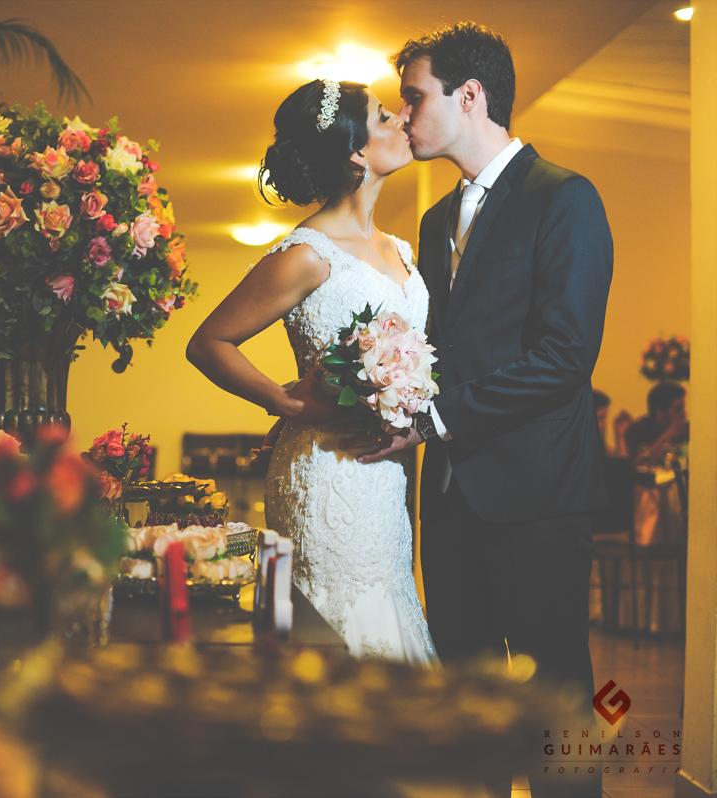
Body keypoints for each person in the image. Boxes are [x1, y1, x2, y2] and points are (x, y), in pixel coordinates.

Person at [342, 22, 612, 798]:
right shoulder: (434, 220)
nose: (404, 114)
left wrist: (431, 423)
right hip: (451, 498)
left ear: (470, 95)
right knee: (466, 701)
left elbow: (565, 359)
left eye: (414, 98)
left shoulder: (564, 198)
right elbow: (435, 353)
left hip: (537, 499)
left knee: (555, 703)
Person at [186, 78, 437, 665]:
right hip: (326, 473)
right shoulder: (306, 254)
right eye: (384, 116)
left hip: (388, 474)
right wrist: (287, 403)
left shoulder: (401, 250)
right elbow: (209, 343)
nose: (402, 119)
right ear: (356, 152)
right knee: (341, 626)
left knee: (389, 607)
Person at [625, 381, 688, 467]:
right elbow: (638, 466)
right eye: (677, 409)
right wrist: (665, 437)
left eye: (683, 408)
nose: (683, 414)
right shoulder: (637, 431)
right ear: (659, 413)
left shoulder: (686, 432)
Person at [593, 389, 632, 458]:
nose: (604, 424)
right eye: (600, 418)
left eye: (605, 418)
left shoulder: (599, 444)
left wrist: (620, 436)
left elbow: (621, 465)